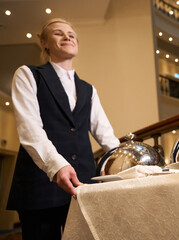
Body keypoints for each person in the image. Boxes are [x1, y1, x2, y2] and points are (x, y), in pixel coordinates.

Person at [7, 18, 120, 240]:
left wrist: (121, 163)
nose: (67, 37)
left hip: (83, 185)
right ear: (44, 43)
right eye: (58, 33)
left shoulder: (89, 89)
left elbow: (106, 135)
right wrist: (57, 166)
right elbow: (30, 129)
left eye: (71, 34)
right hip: (39, 186)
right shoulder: (28, 74)